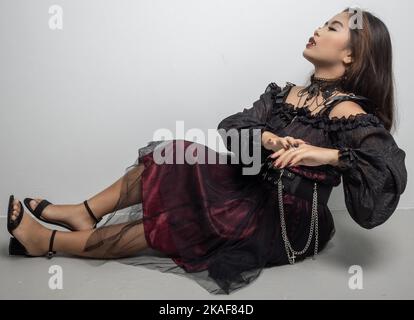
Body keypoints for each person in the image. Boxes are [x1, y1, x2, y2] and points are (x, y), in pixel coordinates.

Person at [6, 7, 407, 295]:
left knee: (178, 222)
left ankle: (48, 243)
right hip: (250, 188)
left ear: (350, 55)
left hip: (285, 221)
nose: (317, 29)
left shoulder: (348, 111)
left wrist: (325, 155)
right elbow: (231, 127)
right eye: (322, 22)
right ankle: (85, 212)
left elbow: (387, 173)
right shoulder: (286, 94)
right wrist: (267, 139)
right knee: (175, 151)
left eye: (332, 27)